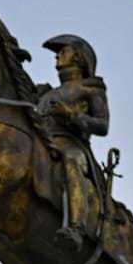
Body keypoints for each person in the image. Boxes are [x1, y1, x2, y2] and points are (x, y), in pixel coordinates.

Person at [35, 34, 109, 250]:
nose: (57, 56)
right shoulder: (47, 94)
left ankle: (76, 227)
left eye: (63, 51)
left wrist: (70, 114)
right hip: (43, 144)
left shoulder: (91, 88)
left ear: (78, 58)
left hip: (72, 144)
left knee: (71, 161)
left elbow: (103, 125)